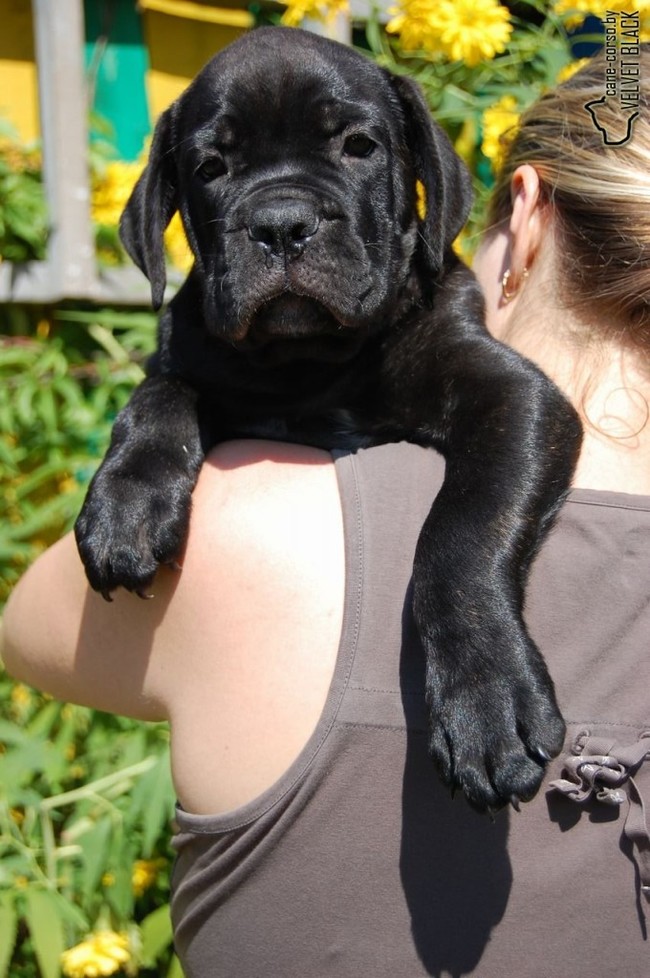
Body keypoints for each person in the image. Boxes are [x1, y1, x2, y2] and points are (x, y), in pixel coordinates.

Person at [3, 48, 650, 977]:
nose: (281, 213)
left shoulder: (429, 321)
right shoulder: (204, 341)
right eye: (221, 170)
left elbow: (520, 410)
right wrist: (156, 426)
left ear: (435, 186)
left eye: (353, 148)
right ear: (170, 216)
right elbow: (176, 385)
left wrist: (464, 604)